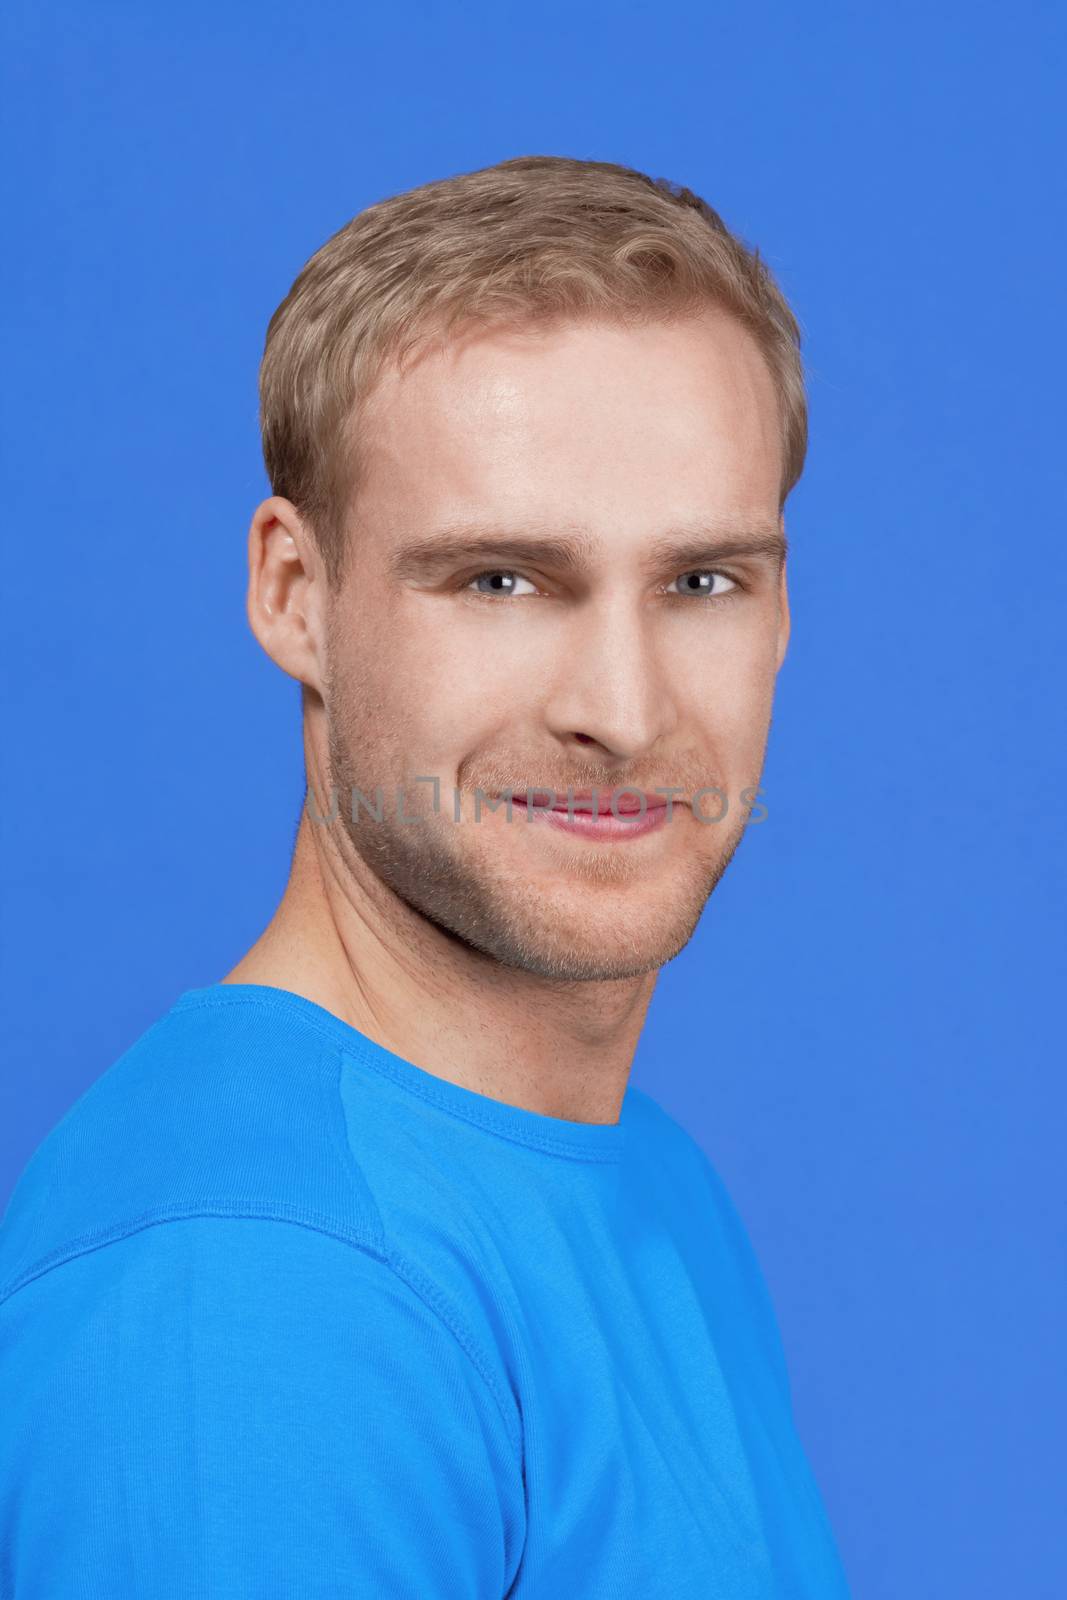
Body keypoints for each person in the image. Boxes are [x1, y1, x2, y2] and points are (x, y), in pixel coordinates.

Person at [0, 155, 851, 1597]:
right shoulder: (266, 1294)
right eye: (501, 581)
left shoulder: (645, 1176)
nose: (623, 711)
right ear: (296, 596)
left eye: (702, 580)